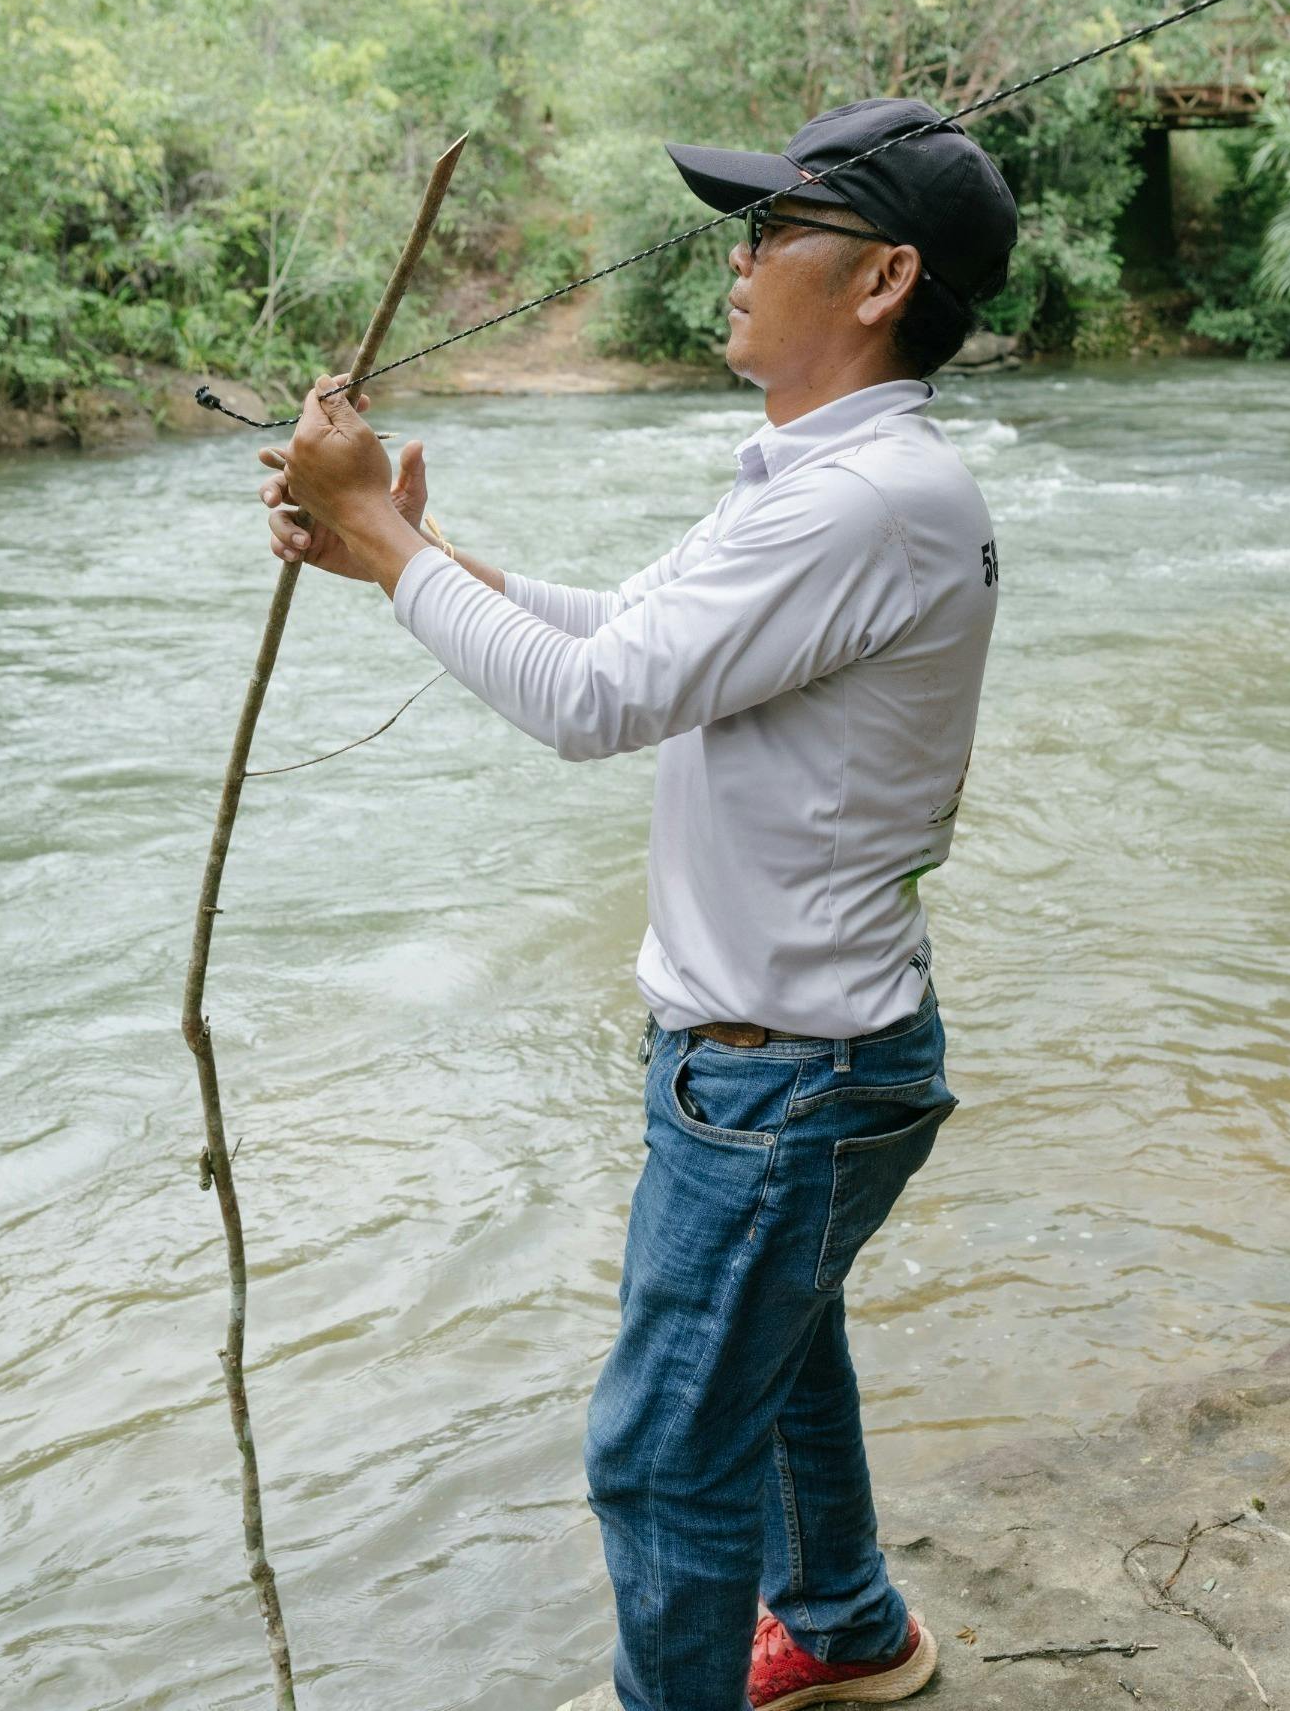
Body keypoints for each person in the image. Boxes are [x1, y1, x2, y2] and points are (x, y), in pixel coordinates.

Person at [261, 98, 1017, 1711]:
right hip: (801, 1053)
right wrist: (406, 552)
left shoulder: (861, 499)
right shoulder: (824, 475)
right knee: (774, 1358)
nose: (738, 258)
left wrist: (385, 535)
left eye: (774, 230)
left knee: (663, 1454)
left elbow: (594, 701)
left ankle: (783, 1645)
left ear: (883, 280)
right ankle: (846, 1626)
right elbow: (626, 633)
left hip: (784, 1073)